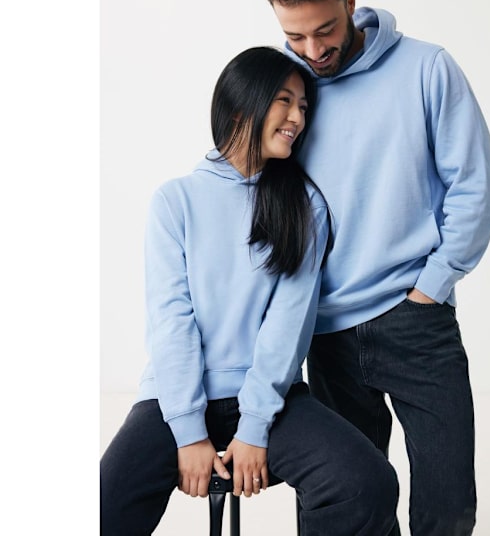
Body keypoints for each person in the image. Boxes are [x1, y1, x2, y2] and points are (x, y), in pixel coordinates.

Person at [100, 46, 400, 535]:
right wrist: (188, 434)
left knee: (367, 482)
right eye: (284, 101)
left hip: (269, 397)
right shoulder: (176, 201)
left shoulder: (304, 205)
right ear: (241, 107)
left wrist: (255, 426)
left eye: (303, 106)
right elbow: (172, 322)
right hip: (175, 397)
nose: (297, 117)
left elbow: (287, 326)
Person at [261, 0, 490, 536]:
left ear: (350, 1)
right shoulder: (291, 90)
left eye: (324, 30)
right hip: (326, 331)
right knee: (344, 508)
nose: (313, 50)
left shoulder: (426, 68)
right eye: (295, 37)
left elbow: (474, 186)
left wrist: (432, 287)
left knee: (447, 504)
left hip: (416, 319)